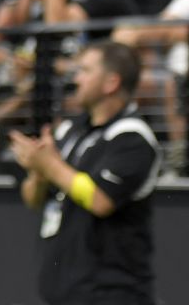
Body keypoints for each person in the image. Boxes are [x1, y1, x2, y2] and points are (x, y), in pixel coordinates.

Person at [9, 41, 161, 305]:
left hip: (111, 293)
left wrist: (51, 166)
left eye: (85, 70)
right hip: (61, 290)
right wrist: (38, 172)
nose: (76, 78)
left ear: (110, 83)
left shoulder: (132, 137)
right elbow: (33, 200)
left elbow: (101, 201)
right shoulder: (70, 129)